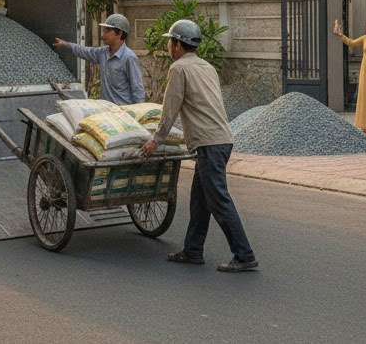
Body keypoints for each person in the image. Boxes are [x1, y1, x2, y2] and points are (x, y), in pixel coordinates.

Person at [140, 19, 258, 273]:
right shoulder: (207, 67)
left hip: (208, 144)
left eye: (170, 42)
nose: (169, 47)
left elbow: (170, 110)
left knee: (219, 201)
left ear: (177, 45)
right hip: (221, 139)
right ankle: (193, 250)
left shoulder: (178, 69)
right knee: (200, 200)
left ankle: (244, 254)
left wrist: (155, 140)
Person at [53, 14, 145, 105]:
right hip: (106, 110)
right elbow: (85, 51)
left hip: (122, 110)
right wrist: (67, 44)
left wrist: (138, 111)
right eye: (103, 31)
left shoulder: (129, 57)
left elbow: (137, 89)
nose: (102, 35)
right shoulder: (103, 53)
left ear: (119, 34)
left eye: (106, 31)